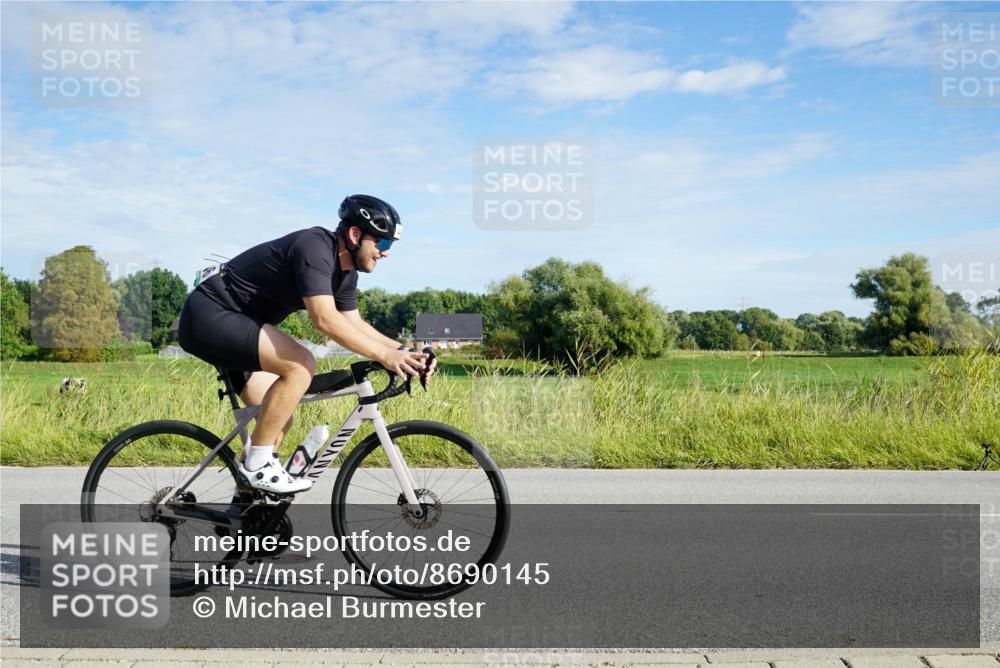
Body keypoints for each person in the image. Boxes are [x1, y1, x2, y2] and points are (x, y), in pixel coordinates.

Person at [177, 195, 435, 494]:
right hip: (212, 314)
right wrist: (384, 356)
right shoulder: (315, 247)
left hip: (239, 325)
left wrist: (405, 353)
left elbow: (354, 323)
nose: (385, 253)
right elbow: (324, 320)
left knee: (276, 418)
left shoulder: (346, 273)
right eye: (383, 244)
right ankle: (258, 466)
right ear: (355, 235)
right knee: (300, 364)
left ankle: (246, 515)